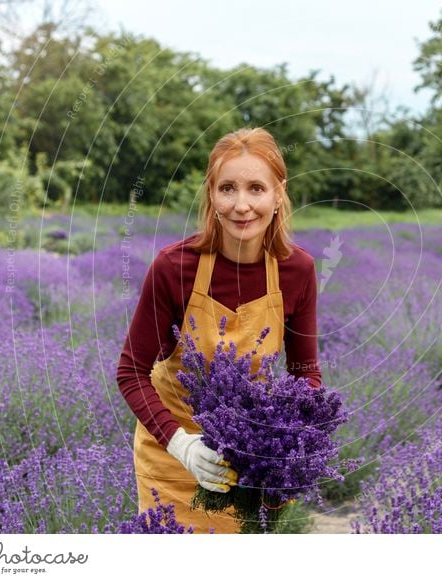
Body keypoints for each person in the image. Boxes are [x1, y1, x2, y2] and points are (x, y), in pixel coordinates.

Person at [116, 127, 322, 533]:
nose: (241, 205)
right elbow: (131, 372)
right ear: (211, 195)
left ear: (278, 194)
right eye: (227, 188)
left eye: (256, 189)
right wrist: (182, 445)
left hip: (247, 465)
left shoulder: (297, 271)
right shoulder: (174, 268)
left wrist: (290, 440)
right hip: (170, 459)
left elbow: (305, 375)